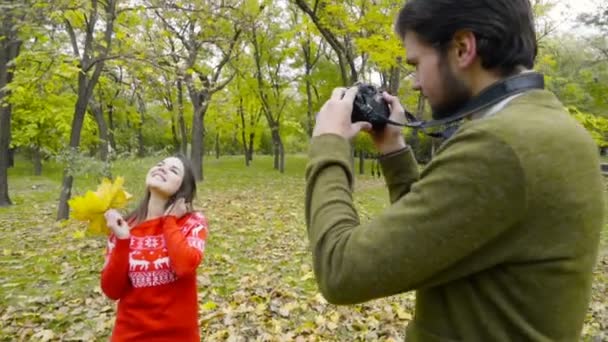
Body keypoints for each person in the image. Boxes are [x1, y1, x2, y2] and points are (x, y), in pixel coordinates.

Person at [304, 0, 604, 340]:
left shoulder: (500, 147)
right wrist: (393, 149)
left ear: (462, 48)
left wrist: (328, 143)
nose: (415, 83)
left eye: (417, 64)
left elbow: (341, 271)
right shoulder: (553, 129)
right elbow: (440, 238)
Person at [101, 155, 208, 341]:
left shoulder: (192, 223)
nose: (162, 168)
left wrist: (169, 222)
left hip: (178, 336)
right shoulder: (123, 226)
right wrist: (123, 240)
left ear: (183, 189)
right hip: (130, 335)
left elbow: (185, 266)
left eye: (173, 170)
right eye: (160, 164)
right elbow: (112, 290)